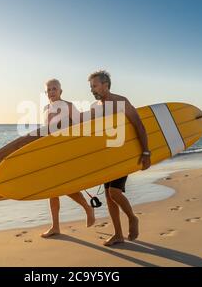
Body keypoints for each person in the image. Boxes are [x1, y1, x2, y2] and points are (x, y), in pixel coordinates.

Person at [88, 70, 151, 246]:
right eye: (91, 87)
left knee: (114, 192)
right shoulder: (95, 107)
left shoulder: (120, 101)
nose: (92, 89)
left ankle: (132, 218)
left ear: (105, 84)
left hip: (123, 154)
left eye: (94, 86)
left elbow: (139, 124)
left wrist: (146, 152)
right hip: (106, 156)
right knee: (109, 197)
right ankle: (118, 234)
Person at [41, 79, 95, 238]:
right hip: (51, 152)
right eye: (49, 89)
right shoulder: (45, 108)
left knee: (66, 187)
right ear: (46, 93)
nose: (52, 92)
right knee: (52, 189)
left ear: (60, 91)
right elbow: (46, 132)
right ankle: (55, 226)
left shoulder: (69, 106)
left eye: (54, 89)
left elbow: (81, 126)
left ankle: (87, 207)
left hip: (66, 152)